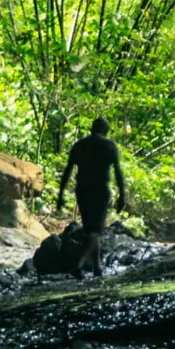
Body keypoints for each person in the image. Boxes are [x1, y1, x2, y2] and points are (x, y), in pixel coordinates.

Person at [57, 117, 127, 276]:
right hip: (100, 191)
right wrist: (122, 195)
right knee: (95, 231)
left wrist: (60, 194)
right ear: (105, 131)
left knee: (91, 230)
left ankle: (97, 268)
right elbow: (118, 172)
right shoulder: (109, 146)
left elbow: (68, 170)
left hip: (83, 190)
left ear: (92, 129)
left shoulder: (80, 145)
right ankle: (78, 264)